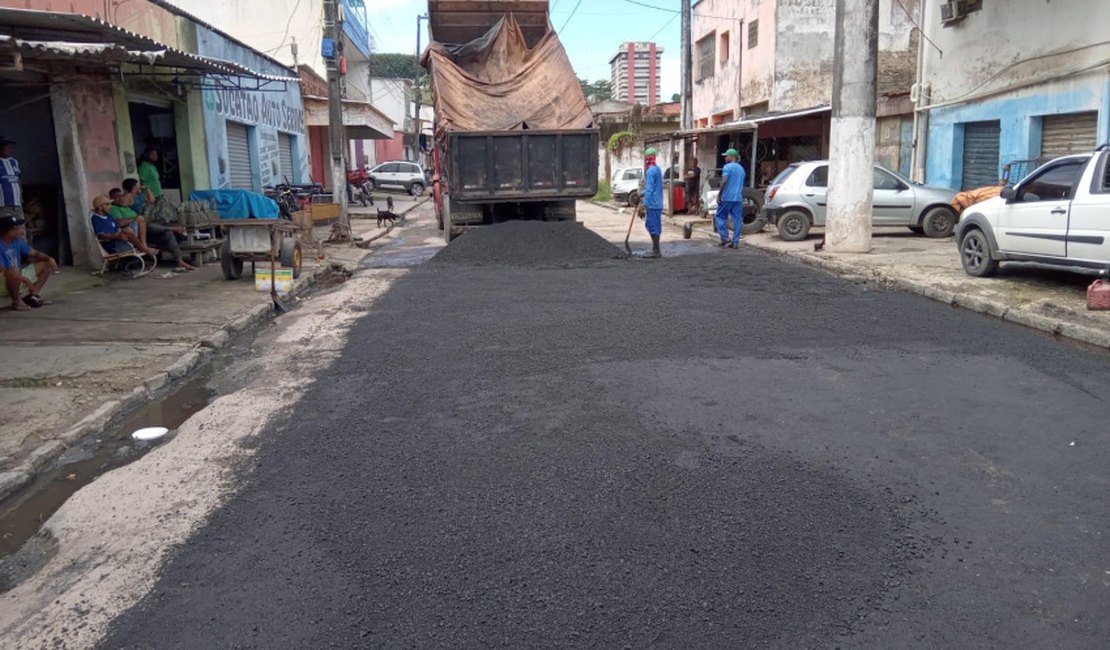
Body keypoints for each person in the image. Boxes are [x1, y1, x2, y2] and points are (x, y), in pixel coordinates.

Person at [109, 188, 194, 271]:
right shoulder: (114, 209)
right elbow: (119, 223)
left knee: (167, 233)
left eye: (121, 197)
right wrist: (135, 218)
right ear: (112, 199)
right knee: (148, 224)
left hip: (144, 232)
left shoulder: (126, 207)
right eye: (117, 198)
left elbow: (150, 201)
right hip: (133, 234)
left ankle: (179, 261)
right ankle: (147, 245)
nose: (121, 199)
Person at [2, 214, 56, 311]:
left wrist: (50, 258)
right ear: (8, 232)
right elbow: (3, 270)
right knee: (13, 271)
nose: (21, 231)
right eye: (16, 228)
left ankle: (33, 296)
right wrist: (25, 279)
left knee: (46, 263)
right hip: (3, 281)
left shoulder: (17, 242)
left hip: (17, 276)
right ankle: (16, 301)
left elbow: (35, 253)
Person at [715, 147, 747, 248]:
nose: (725, 158)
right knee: (737, 220)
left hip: (727, 197)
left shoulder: (727, 167)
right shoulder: (741, 169)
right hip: (737, 198)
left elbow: (724, 181)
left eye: (726, 156)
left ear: (732, 157)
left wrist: (719, 194)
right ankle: (735, 242)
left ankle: (725, 237)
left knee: (719, 216)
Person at [640, 147, 664, 259]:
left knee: (651, 225)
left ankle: (656, 250)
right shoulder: (657, 169)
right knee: (656, 226)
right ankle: (656, 248)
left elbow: (650, 190)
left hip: (653, 204)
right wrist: (641, 194)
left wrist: (644, 206)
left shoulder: (650, 171)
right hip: (658, 202)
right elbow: (653, 187)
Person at [0, 136, 22, 223]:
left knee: (20, 230)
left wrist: (21, 199)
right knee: (6, 231)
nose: (10, 149)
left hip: (17, 205)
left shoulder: (14, 162)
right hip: (3, 206)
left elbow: (19, 180)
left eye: (10, 147)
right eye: (7, 147)